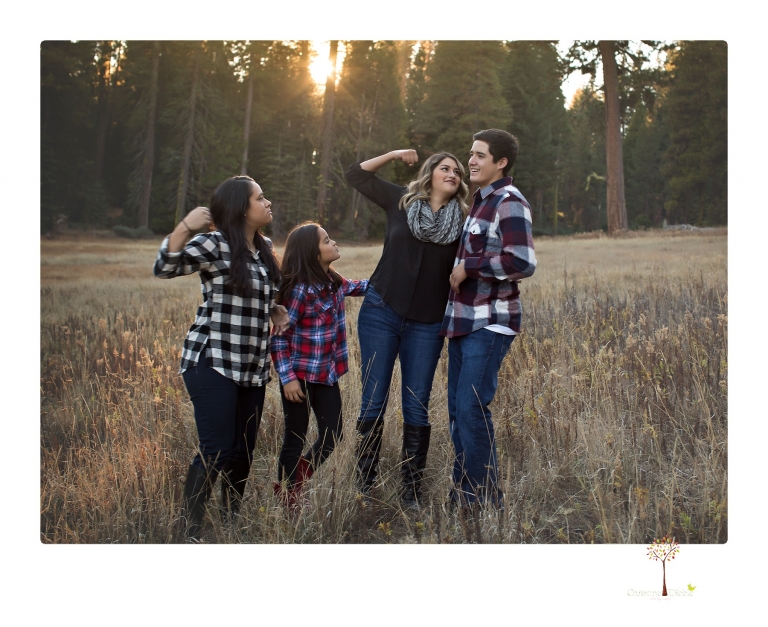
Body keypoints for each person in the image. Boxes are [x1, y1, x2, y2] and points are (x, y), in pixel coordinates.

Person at [153, 175, 288, 541]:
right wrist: (185, 227)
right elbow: (165, 268)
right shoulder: (214, 243)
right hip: (212, 359)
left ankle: (230, 523)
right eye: (260, 198)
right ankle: (190, 530)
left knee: (243, 452)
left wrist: (274, 309)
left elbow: (257, 293)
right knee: (216, 449)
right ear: (241, 208)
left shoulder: (264, 247)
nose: (267, 203)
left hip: (251, 366)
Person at [344, 149, 469, 508]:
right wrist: (396, 154)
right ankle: (365, 486)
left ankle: (411, 492)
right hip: (381, 311)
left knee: (416, 405)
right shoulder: (401, 201)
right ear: (430, 173)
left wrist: (469, 267)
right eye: (445, 168)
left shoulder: (463, 220)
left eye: (458, 172)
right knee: (373, 400)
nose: (453, 174)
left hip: (427, 323)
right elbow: (356, 174)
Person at [441, 128, 537, 509]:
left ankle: (482, 498)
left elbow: (522, 261)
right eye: (471, 154)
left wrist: (470, 266)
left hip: (490, 323)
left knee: (470, 408)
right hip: (464, 321)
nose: (471, 161)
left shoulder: (509, 202)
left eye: (480, 155)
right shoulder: (480, 203)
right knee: (458, 411)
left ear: (501, 162)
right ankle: (465, 492)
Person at [269, 222, 368, 509]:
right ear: (312, 254)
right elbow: (279, 338)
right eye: (326, 240)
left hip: (326, 375)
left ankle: (296, 478)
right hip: (299, 378)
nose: (333, 242)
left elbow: (359, 287)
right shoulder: (300, 291)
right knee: (295, 436)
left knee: (333, 433)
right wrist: (287, 379)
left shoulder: (333, 281)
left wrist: (391, 281)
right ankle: (288, 496)